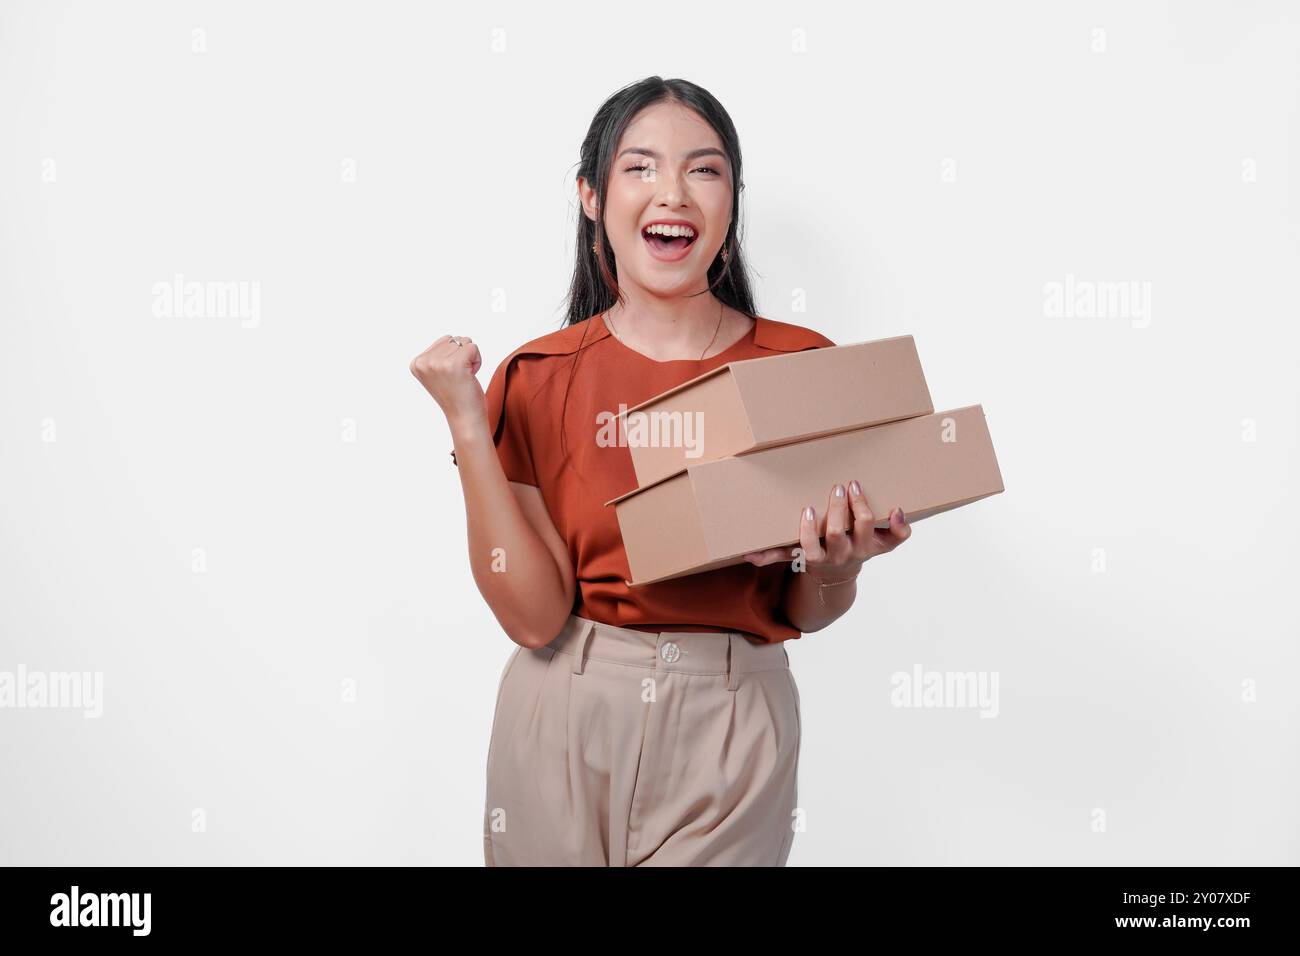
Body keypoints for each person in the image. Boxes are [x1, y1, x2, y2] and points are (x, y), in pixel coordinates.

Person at [410, 76, 912, 866]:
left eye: (704, 170)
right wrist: (469, 425)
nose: (671, 193)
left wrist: (835, 570)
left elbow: (806, 609)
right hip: (563, 707)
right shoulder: (539, 376)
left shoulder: (802, 367)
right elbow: (534, 619)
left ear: (732, 199)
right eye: (640, 168)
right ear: (590, 195)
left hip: (734, 715)